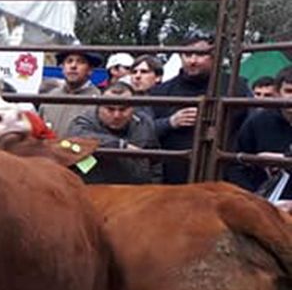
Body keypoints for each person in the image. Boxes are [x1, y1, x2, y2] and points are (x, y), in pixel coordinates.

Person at [149, 30, 250, 184]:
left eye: (200, 55)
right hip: (174, 178)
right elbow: (144, 132)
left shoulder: (236, 87)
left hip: (224, 176)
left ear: (214, 56)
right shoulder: (161, 92)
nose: (193, 61)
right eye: (187, 55)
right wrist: (170, 122)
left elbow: (251, 127)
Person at [65, 82, 159, 184]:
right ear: (99, 106)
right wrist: (120, 146)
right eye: (110, 109)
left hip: (135, 191)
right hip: (94, 189)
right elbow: (80, 136)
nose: (116, 115)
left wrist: (155, 187)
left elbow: (155, 161)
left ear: (133, 107)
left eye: (123, 109)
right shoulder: (83, 122)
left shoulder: (144, 123)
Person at [228, 67, 292, 192]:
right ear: (277, 93)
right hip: (263, 203)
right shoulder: (257, 122)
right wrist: (255, 200)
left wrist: (284, 159)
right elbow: (236, 165)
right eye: (289, 91)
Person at [39, 46, 102, 135]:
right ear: (62, 68)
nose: (73, 66)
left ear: (90, 70)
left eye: (80, 62)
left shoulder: (99, 101)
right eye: (69, 61)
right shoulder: (50, 97)